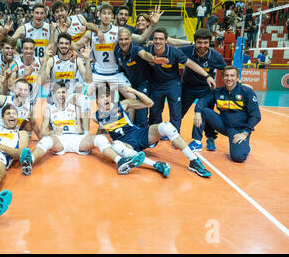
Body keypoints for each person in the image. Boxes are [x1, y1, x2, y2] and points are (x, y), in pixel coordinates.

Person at [19, 81, 160, 177]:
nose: (61, 95)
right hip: (60, 140)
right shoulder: (49, 109)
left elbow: (83, 128)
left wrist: (83, 131)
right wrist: (53, 132)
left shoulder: (75, 107)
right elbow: (43, 133)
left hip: (77, 139)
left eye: (63, 93)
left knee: (99, 138)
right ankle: (29, 160)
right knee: (47, 141)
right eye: (58, 93)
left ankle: (120, 161)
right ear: (53, 95)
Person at [94, 84, 212, 178]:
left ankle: (194, 160)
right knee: (115, 145)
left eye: (107, 96)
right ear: (97, 101)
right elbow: (99, 135)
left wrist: (134, 92)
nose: (105, 99)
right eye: (102, 97)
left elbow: (150, 103)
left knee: (166, 126)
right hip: (124, 143)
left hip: (138, 134)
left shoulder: (122, 105)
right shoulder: (96, 117)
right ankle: (156, 165)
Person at [144, 28, 216, 135]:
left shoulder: (174, 52)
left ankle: (174, 135)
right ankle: (155, 135)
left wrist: (207, 76)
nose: (158, 41)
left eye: (161, 39)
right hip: (156, 85)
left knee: (175, 113)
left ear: (166, 40)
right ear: (152, 40)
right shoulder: (148, 51)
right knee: (154, 112)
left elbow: (191, 64)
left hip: (173, 84)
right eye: (156, 39)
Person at [193, 66, 261, 163]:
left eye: (232, 76)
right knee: (203, 110)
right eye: (226, 76)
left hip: (238, 130)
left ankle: (245, 146)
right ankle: (196, 142)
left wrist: (245, 132)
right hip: (223, 124)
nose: (229, 78)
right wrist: (198, 111)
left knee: (238, 158)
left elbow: (256, 115)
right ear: (223, 77)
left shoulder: (247, 92)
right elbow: (204, 100)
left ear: (237, 78)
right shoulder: (218, 91)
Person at [178, 29, 227, 152]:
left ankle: (210, 138)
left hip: (206, 90)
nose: (202, 45)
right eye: (199, 42)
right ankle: (174, 135)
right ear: (194, 43)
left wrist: (240, 84)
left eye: (205, 42)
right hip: (187, 87)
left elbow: (227, 71)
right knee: (178, 113)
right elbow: (172, 53)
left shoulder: (216, 56)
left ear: (209, 42)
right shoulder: (187, 50)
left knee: (206, 115)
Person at [114, 27, 169, 128]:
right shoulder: (117, 51)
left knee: (141, 106)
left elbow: (144, 54)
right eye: (121, 39)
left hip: (143, 81)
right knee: (125, 104)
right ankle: (128, 128)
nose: (123, 42)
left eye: (126, 39)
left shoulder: (135, 48)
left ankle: (143, 129)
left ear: (130, 39)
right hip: (129, 82)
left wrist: (153, 59)